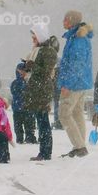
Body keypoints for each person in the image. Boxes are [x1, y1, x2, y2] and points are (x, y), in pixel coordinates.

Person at [57, 10, 94, 157]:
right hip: (81, 82)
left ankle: (79, 146)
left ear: (72, 21)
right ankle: (80, 146)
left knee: (64, 113)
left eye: (65, 19)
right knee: (77, 112)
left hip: (74, 83)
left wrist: (67, 84)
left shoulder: (78, 39)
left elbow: (76, 65)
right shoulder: (77, 37)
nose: (63, 22)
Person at [24, 23, 59, 161]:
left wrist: (33, 66)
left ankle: (45, 152)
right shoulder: (39, 50)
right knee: (41, 120)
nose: (33, 39)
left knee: (43, 121)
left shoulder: (48, 51)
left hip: (42, 90)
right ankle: (44, 151)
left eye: (34, 36)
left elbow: (46, 72)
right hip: (38, 89)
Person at [10, 61, 36, 145]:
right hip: (22, 107)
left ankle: (28, 137)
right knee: (21, 125)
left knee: (24, 124)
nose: (26, 73)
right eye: (24, 71)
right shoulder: (18, 83)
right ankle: (22, 138)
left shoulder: (23, 82)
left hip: (22, 107)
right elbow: (17, 93)